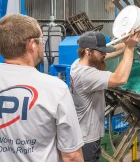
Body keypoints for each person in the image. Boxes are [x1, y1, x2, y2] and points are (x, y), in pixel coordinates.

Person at [0, 14, 84, 162]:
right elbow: (72, 156)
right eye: (41, 41)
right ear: (32, 44)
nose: (42, 45)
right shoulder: (55, 89)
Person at [70, 30, 140, 162]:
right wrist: (130, 48)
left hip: (82, 132)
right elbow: (120, 78)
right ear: (88, 51)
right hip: (87, 138)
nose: (105, 54)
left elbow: (112, 51)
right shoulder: (86, 74)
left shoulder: (79, 62)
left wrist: (128, 42)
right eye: (101, 51)